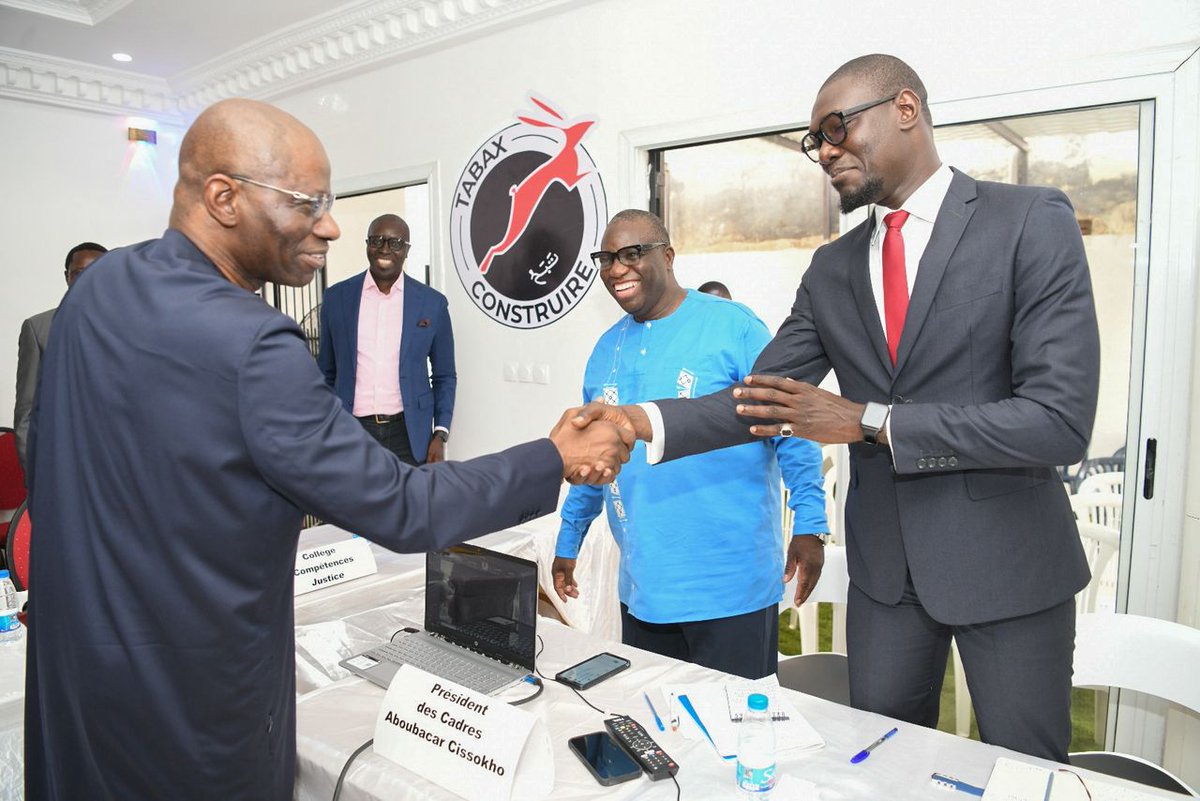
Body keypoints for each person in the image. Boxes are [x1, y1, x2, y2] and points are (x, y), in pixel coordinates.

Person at [24, 98, 632, 801]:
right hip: (189, 716)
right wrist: (552, 456)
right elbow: (405, 506)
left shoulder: (95, 289)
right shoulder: (253, 343)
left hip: (75, 685)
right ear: (222, 197)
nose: (331, 225)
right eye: (306, 202)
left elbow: (49, 460)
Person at [582, 54, 1099, 761]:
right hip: (887, 580)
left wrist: (869, 420)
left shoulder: (1028, 221)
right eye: (814, 142)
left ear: (906, 109)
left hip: (1010, 566)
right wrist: (641, 422)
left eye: (836, 128)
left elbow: (1059, 420)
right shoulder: (833, 268)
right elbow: (756, 400)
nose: (825, 152)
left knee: (1022, 772)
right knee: (882, 762)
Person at [552, 210, 827, 680]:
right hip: (645, 589)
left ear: (669, 255)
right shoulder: (604, 351)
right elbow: (591, 458)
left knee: (737, 734)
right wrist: (568, 539)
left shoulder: (733, 326)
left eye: (632, 253)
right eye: (606, 258)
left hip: (730, 584)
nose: (617, 268)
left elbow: (788, 423)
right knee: (658, 734)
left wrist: (811, 522)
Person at [319, 215, 456, 465]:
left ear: (406, 250)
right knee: (352, 504)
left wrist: (440, 434)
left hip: (409, 434)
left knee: (410, 504)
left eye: (395, 243)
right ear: (367, 244)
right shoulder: (336, 299)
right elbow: (326, 373)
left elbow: (444, 375)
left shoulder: (432, 303)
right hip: (351, 431)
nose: (384, 249)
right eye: (377, 240)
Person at [12, 241, 107, 471]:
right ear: (67, 277)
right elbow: (26, 412)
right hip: (60, 465)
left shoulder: (131, 329)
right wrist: (36, 473)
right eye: (78, 274)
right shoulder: (38, 329)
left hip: (115, 468)